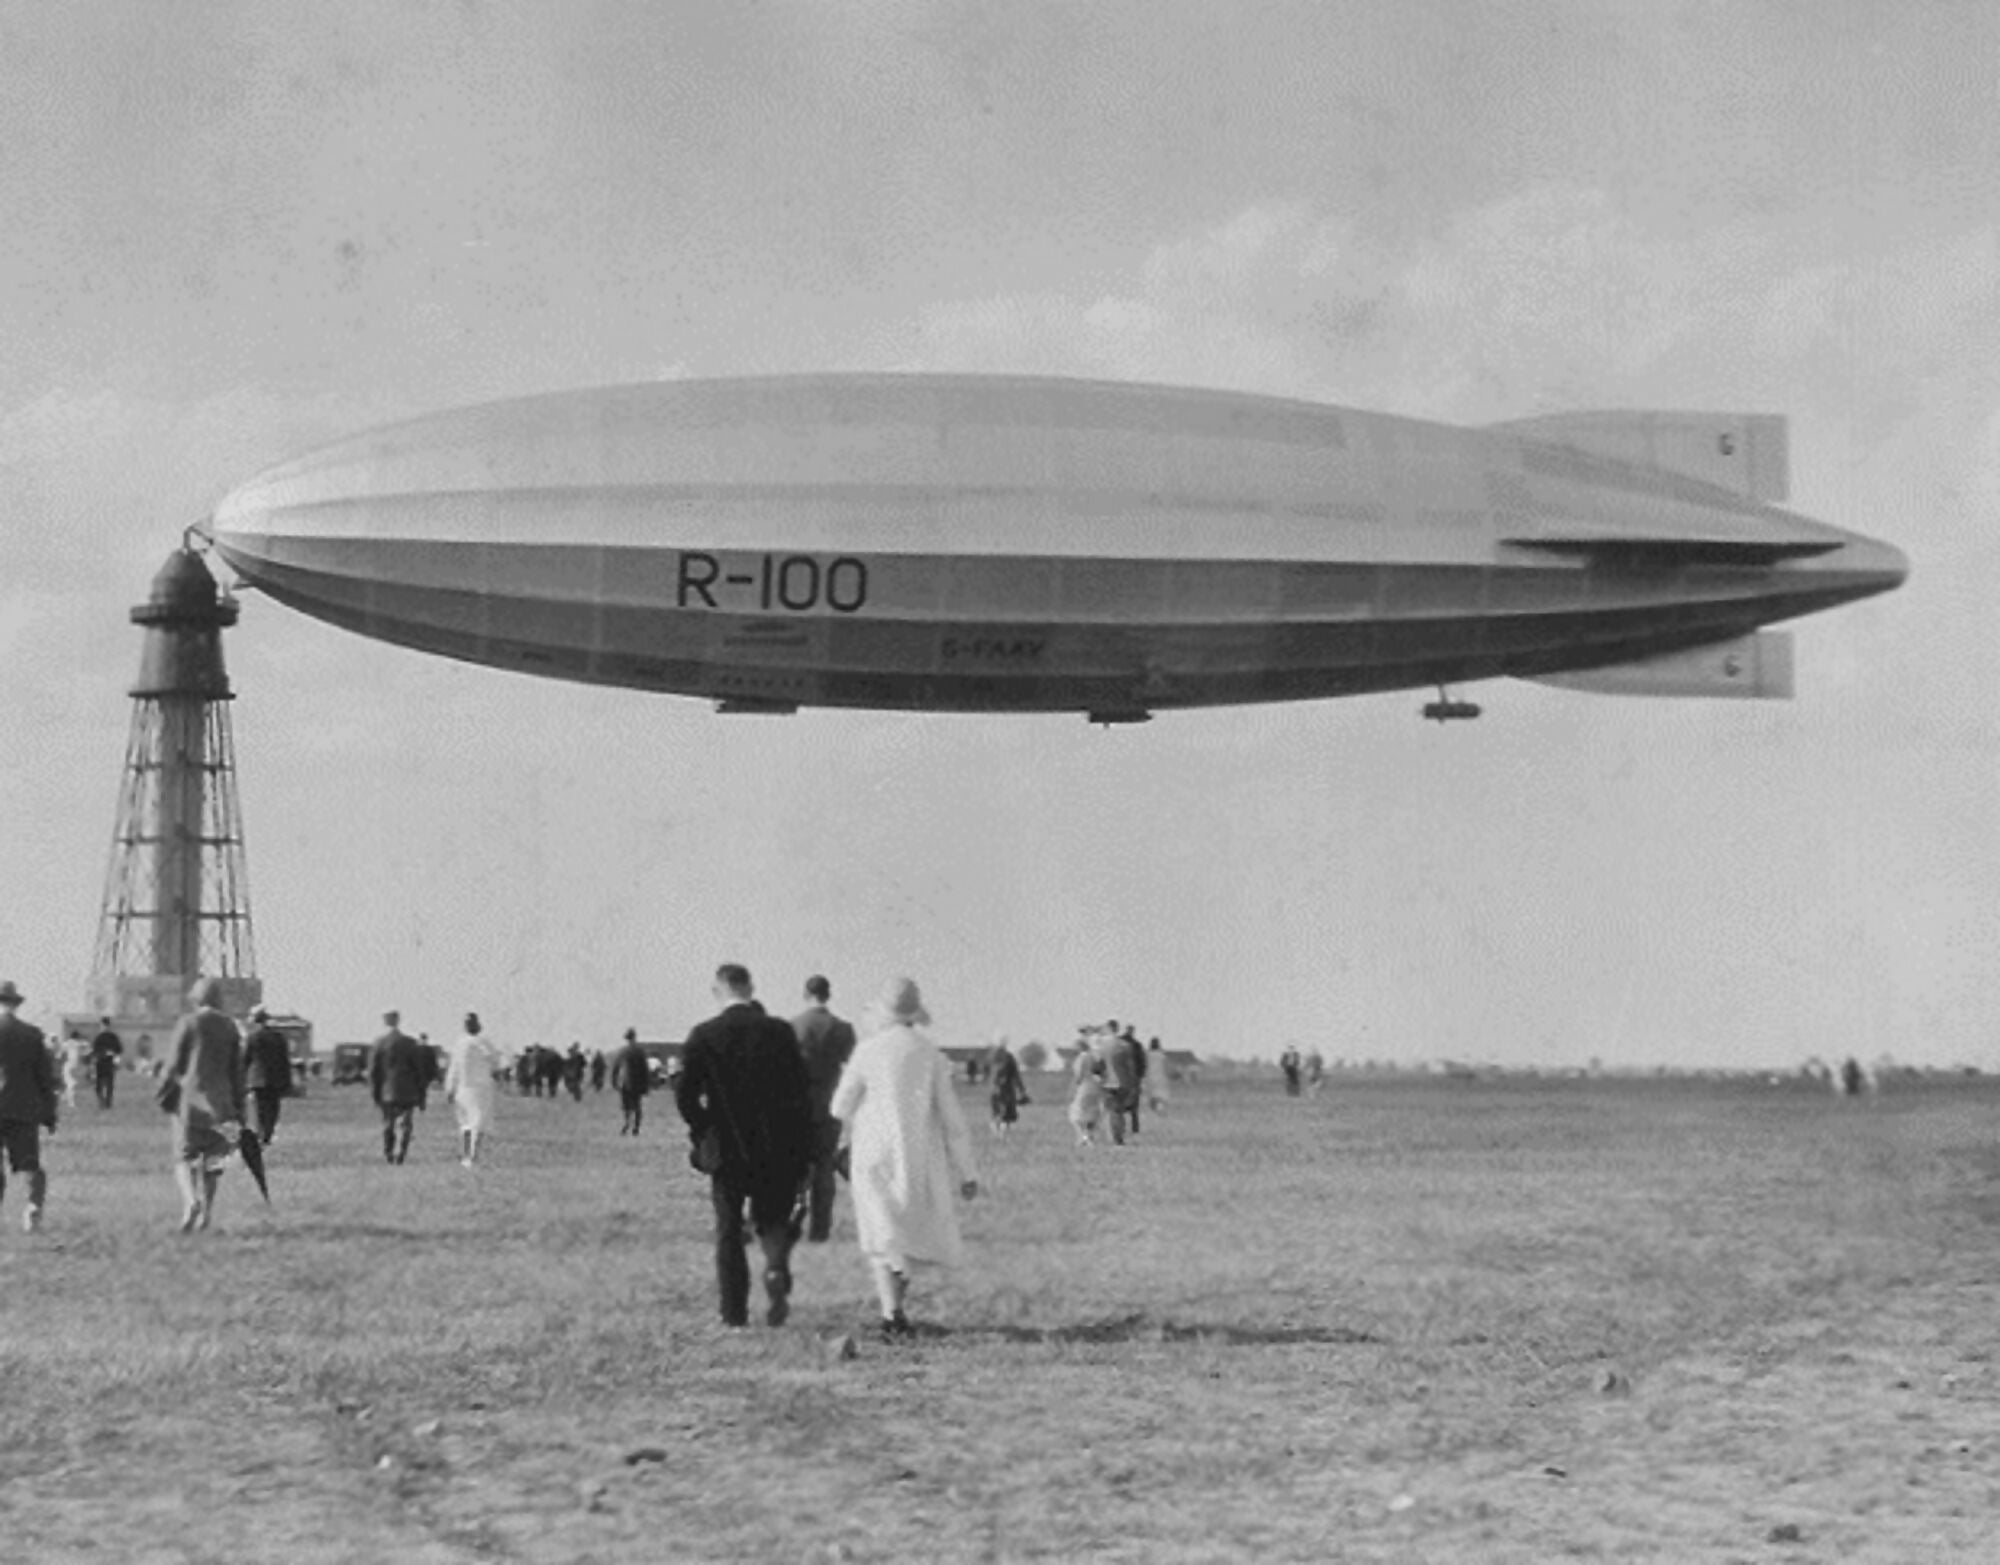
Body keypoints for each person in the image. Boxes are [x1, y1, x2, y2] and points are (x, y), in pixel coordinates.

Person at [828, 978, 978, 1340]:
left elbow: (840, 1106)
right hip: (917, 1156)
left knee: (883, 1231)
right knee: (906, 1233)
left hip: (872, 1151)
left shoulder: (868, 1050)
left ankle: (891, 1312)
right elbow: (952, 1118)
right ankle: (894, 1311)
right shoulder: (931, 1055)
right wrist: (967, 1171)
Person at [675, 964, 813, 1328]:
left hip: (727, 1149)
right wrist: (803, 1150)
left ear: (717, 991)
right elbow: (801, 1095)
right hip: (775, 1146)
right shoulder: (779, 1032)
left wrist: (704, 1131)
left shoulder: (704, 1035)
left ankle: (733, 1313)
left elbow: (685, 1095)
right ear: (751, 988)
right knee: (772, 1223)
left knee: (729, 1231)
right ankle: (775, 1272)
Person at [161, 978, 244, 1233]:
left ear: (195, 998)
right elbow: (237, 1071)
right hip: (222, 1105)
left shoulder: (188, 1023)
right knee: (213, 1163)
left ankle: (191, 1201)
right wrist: (238, 1108)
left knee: (184, 1158)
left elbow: (173, 1065)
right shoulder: (230, 1027)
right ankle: (206, 1214)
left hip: (192, 1103)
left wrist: (164, 1094)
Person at [790, 974, 857, 1243]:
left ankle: (796, 1205)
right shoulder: (843, 1029)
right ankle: (820, 1228)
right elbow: (853, 1068)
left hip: (798, 1106)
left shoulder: (794, 1026)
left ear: (806, 994)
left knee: (796, 1162)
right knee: (825, 1166)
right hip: (830, 1104)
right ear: (828, 995)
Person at [0, 980, 57, 1233]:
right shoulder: (32, 1035)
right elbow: (45, 1078)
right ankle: (33, 1205)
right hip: (24, 1108)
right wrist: (49, 1113)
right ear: (16, 1004)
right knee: (30, 1163)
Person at [370, 1009, 429, 1165]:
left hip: (387, 1091)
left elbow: (374, 1072)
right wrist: (422, 1095)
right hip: (408, 1090)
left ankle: (389, 1152)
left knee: (388, 1123)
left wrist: (375, 1094)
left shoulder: (379, 1043)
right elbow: (419, 1071)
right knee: (406, 1123)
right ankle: (402, 1152)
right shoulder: (410, 1043)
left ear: (385, 1021)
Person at [444, 1012, 500, 1167]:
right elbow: (495, 1063)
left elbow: (453, 1069)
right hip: (479, 1090)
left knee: (466, 1124)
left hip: (463, 1089)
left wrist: (450, 1088)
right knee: (477, 1123)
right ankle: (471, 1155)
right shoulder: (484, 1043)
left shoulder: (460, 1044)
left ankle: (467, 1154)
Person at [242, 1008, 292, 1146]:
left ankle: (260, 1133)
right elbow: (284, 1061)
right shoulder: (279, 1038)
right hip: (275, 1079)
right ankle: (268, 1133)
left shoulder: (253, 1037)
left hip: (257, 1079)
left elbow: (245, 1059)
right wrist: (287, 1082)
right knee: (273, 1109)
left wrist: (241, 1077)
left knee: (259, 1108)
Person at [611, 1026, 651, 1135]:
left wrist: (614, 1081)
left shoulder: (623, 1051)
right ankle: (636, 1127)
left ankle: (627, 1123)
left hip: (626, 1082)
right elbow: (645, 1069)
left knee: (626, 1106)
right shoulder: (640, 1051)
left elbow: (616, 1067)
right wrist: (646, 1085)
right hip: (637, 1082)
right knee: (637, 1105)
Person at [1067, 1032, 1106, 1145]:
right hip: (1095, 1085)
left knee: (1076, 1114)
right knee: (1092, 1113)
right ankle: (1088, 1136)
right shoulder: (1094, 1057)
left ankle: (1084, 1137)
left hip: (1084, 1086)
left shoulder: (1082, 1058)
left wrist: (1074, 1086)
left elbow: (1079, 1074)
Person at [987, 1035, 1027, 1136]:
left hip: (1000, 1089)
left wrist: (1021, 1088)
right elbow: (1015, 1074)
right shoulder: (1005, 1057)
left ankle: (1000, 1132)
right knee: (1004, 1112)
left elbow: (1015, 1074)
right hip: (1004, 1089)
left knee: (1002, 1112)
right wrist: (1021, 1089)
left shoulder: (996, 1057)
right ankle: (1000, 1132)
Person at [89, 1017, 122, 1108]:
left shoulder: (103, 1037)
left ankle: (106, 1103)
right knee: (104, 1085)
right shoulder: (110, 1037)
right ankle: (105, 1102)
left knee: (105, 1085)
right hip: (104, 1063)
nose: (102, 1027)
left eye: (102, 1025)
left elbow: (118, 1050)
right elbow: (119, 1050)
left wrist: (111, 1055)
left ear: (104, 1025)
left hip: (105, 1063)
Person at [1145, 1037, 1171, 1114]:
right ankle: (1160, 1110)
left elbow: (1144, 1067)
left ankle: (1156, 1110)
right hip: (1160, 1078)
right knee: (1161, 1095)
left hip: (1150, 1078)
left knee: (1152, 1096)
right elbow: (1167, 1068)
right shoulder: (1162, 1056)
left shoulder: (1147, 1055)